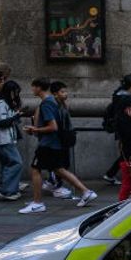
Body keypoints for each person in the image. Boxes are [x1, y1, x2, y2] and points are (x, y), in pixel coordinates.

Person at [19, 78, 96, 214]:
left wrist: (35, 129)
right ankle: (86, 192)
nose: (32, 90)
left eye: (33, 87)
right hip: (55, 143)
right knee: (59, 169)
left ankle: (37, 203)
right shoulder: (54, 102)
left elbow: (53, 127)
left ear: (38, 88)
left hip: (48, 143)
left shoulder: (47, 103)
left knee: (36, 169)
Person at [103, 72, 131, 183]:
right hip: (130, 130)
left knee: (125, 154)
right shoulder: (129, 99)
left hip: (122, 129)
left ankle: (111, 174)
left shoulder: (118, 95)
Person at [0, 80, 25, 201]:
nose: (16, 95)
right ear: (9, 91)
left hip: (7, 139)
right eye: (15, 92)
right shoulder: (1, 104)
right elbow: (2, 122)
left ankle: (10, 190)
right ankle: (7, 190)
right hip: (3, 139)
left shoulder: (6, 103)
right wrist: (15, 116)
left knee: (8, 164)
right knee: (16, 163)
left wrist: (16, 115)